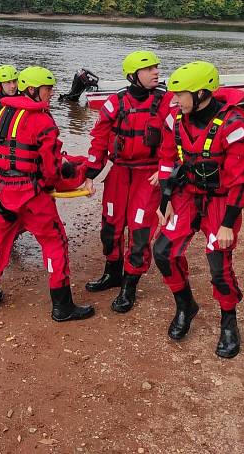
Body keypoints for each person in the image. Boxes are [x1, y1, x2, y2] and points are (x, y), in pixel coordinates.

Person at [153, 61, 244, 359]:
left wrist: (227, 224)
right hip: (186, 196)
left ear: (200, 94)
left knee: (218, 264)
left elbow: (241, 181)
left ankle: (229, 323)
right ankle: (186, 305)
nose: (173, 100)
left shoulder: (234, 125)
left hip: (220, 202)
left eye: (180, 94)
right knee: (162, 252)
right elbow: (166, 161)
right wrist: (165, 201)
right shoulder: (175, 120)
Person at [0, 66, 95, 322]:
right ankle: (62, 306)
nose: (52, 93)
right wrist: (73, 178)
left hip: (1, 192)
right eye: (48, 88)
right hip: (31, 197)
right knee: (55, 243)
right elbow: (52, 170)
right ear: (32, 90)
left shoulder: (0, 113)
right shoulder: (42, 120)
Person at [81, 51, 175, 313]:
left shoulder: (166, 102)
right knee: (110, 226)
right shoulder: (115, 103)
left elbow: (171, 143)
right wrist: (89, 176)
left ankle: (129, 286)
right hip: (120, 172)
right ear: (134, 76)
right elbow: (99, 140)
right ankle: (112, 273)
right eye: (149, 70)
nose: (156, 72)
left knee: (139, 229)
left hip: (149, 176)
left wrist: (164, 172)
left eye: (157, 68)